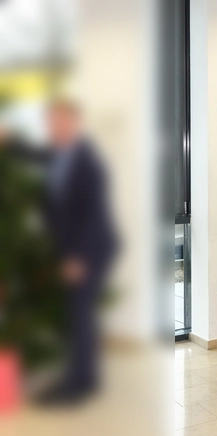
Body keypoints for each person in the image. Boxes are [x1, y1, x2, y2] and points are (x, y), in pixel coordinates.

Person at [40, 99, 118, 404]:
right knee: (73, 315)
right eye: (51, 122)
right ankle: (79, 375)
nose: (55, 127)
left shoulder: (87, 161)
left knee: (80, 315)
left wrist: (77, 258)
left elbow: (90, 214)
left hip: (88, 250)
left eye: (60, 121)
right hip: (67, 251)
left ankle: (80, 382)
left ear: (74, 123)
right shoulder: (56, 155)